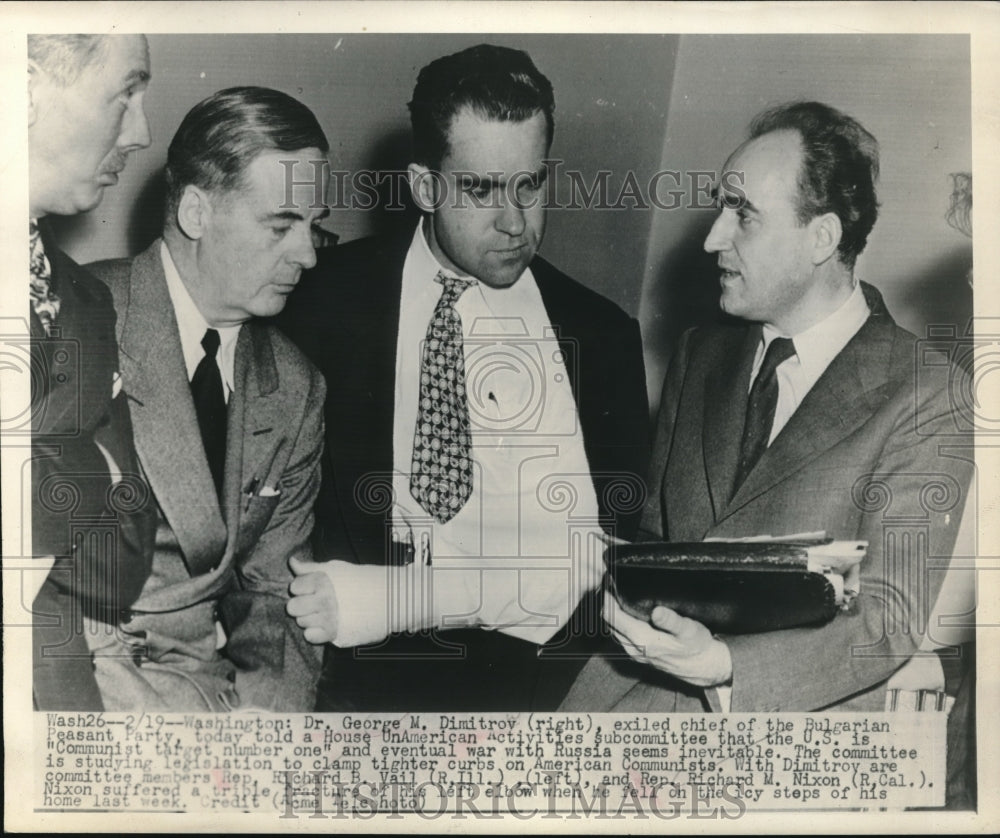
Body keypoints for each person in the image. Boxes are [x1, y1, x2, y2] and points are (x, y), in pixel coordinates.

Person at [562, 101, 974, 714]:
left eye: (744, 215)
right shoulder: (701, 353)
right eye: (720, 208)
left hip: (790, 727)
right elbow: (655, 537)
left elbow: (888, 618)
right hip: (622, 699)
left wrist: (722, 665)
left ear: (821, 238)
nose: (712, 239)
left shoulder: (929, 393)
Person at [277, 44, 650, 711]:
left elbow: (612, 556)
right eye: (480, 189)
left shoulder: (603, 336)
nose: (515, 223)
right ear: (425, 187)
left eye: (530, 185)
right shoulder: (317, 302)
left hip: (541, 693)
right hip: (356, 683)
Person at [82, 86, 329, 711]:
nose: (307, 255)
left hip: (218, 705)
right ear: (196, 212)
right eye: (281, 225)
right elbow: (43, 597)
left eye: (313, 227)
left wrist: (262, 729)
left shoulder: (295, 385)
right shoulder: (75, 325)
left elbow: (273, 600)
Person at [28, 34, 156, 710]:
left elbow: (120, 563)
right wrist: (88, 467)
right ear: (24, 90)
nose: (141, 132)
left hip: (60, 704)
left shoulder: (84, 299)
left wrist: (36, 457)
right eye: (126, 92)